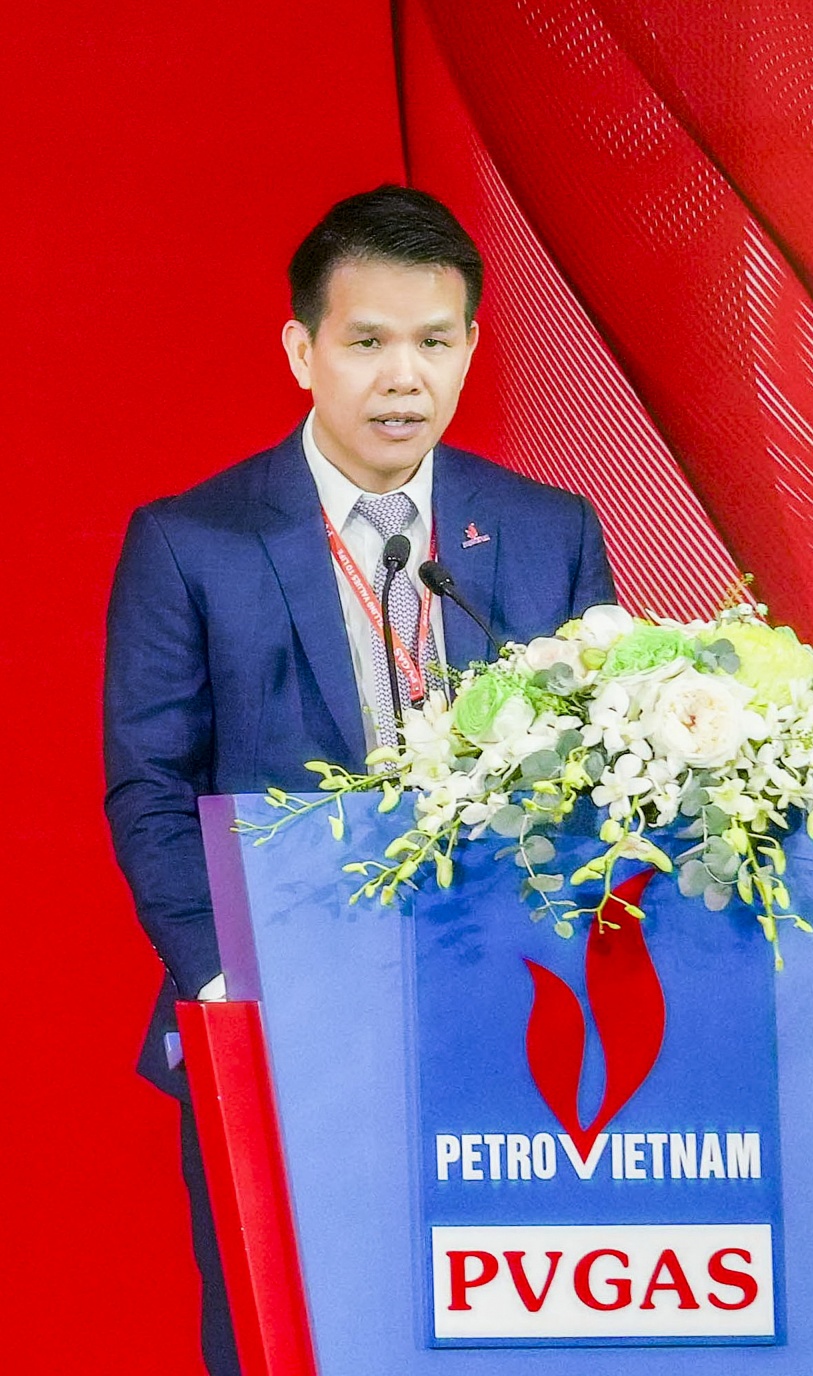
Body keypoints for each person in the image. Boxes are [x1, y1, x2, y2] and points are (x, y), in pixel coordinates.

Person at [104, 184, 615, 1374]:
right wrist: (234, 993)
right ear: (302, 350)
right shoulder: (191, 539)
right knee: (290, 1339)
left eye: (434, 341)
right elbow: (149, 788)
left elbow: (598, 767)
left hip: (510, 1028)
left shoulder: (549, 530)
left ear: (472, 346)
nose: (403, 377)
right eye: (367, 340)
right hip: (281, 1033)